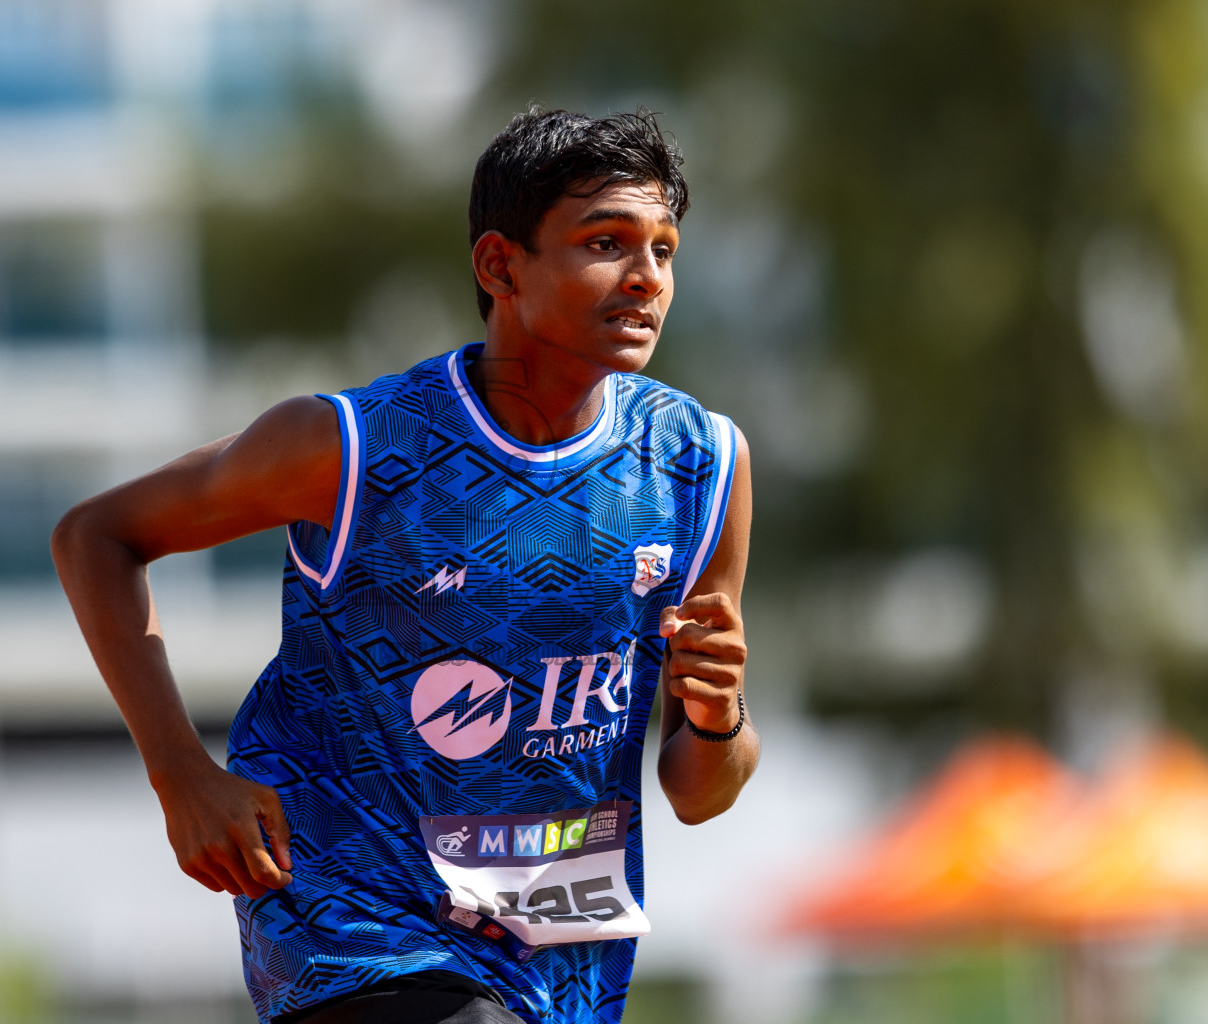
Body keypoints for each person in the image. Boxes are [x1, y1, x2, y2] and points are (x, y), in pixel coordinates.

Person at [52, 107, 758, 1024]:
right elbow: (94, 536)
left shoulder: (701, 465)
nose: (646, 279)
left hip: (556, 951)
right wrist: (181, 773)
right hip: (352, 927)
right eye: (606, 242)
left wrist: (717, 717)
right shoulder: (349, 446)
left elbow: (702, 795)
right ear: (500, 265)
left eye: (663, 248)